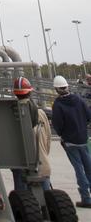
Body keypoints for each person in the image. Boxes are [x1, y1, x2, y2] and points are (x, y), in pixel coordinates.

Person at [51, 75, 91, 208]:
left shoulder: (58, 104)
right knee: (89, 168)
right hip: (83, 139)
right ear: (67, 86)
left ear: (56, 89)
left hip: (70, 142)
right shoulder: (79, 99)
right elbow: (88, 115)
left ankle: (86, 198)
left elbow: (57, 124)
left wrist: (63, 135)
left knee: (79, 169)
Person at [12, 76, 52, 192]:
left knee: (23, 201)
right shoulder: (40, 113)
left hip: (20, 164)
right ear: (30, 92)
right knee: (47, 200)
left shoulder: (12, 112)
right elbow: (48, 138)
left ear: (15, 94)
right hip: (41, 163)